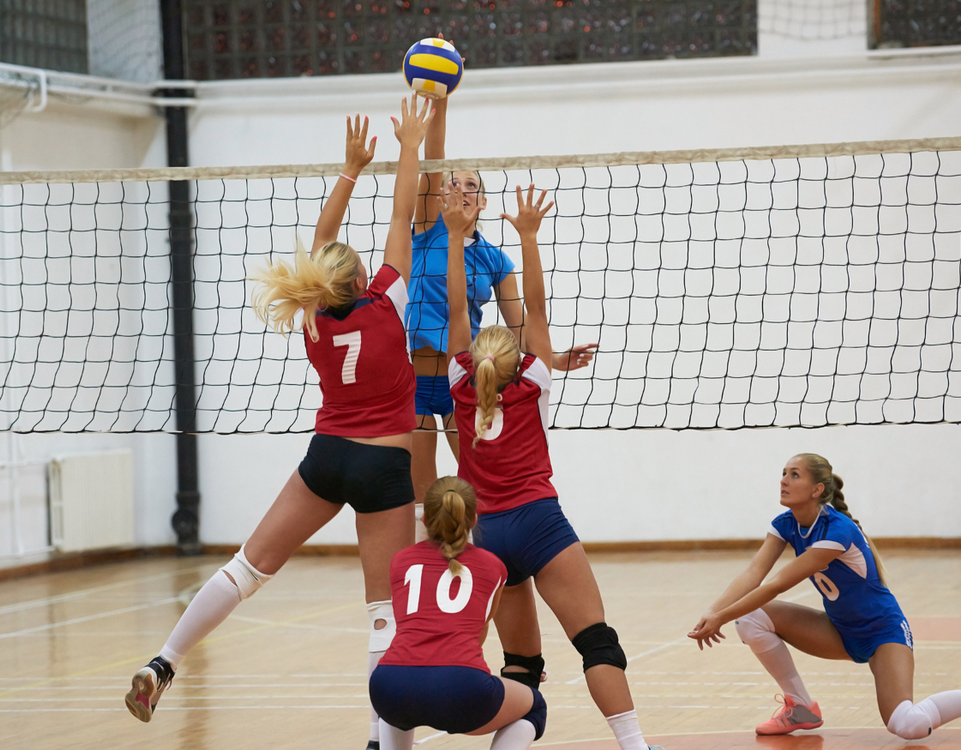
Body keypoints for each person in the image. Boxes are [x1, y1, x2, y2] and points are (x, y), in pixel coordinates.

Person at [124, 96, 433, 724]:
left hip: (326, 458)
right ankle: (381, 740)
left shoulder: (313, 316)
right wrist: (411, 145)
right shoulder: (388, 303)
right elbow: (403, 213)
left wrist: (350, 167)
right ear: (365, 276)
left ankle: (164, 661)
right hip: (383, 467)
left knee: (246, 568)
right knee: (384, 613)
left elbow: (322, 241)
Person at [441, 183, 655, 750]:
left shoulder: (460, 382)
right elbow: (534, 307)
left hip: (483, 533)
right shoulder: (534, 379)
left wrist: (457, 238)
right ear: (517, 361)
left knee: (520, 666)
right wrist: (528, 236)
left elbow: (457, 307)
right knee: (597, 643)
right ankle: (634, 746)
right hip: (540, 522)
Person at [687, 453, 961, 740]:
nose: (783, 480)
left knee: (908, 725)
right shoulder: (785, 523)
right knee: (749, 618)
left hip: (882, 633)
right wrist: (714, 610)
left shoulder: (837, 529)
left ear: (816, 489)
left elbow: (777, 583)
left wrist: (720, 616)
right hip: (838, 630)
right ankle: (801, 707)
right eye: (783, 472)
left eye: (794, 475)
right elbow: (753, 572)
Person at [408, 89, 597, 514]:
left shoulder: (495, 258)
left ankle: (489, 568)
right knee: (420, 496)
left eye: (471, 184)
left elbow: (520, 324)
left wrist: (554, 357)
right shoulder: (426, 226)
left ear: (483, 201)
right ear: (440, 194)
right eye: (451, 183)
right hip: (416, 381)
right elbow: (433, 158)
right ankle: (423, 573)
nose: (459, 188)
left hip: (467, 381)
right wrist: (440, 101)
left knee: (476, 487)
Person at [370, 476, 547, 750]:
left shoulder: (400, 561)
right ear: (474, 519)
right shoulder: (494, 566)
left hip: (388, 684)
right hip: (460, 687)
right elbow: (477, 631)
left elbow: (414, 625)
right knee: (534, 706)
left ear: (425, 520)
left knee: (400, 703)